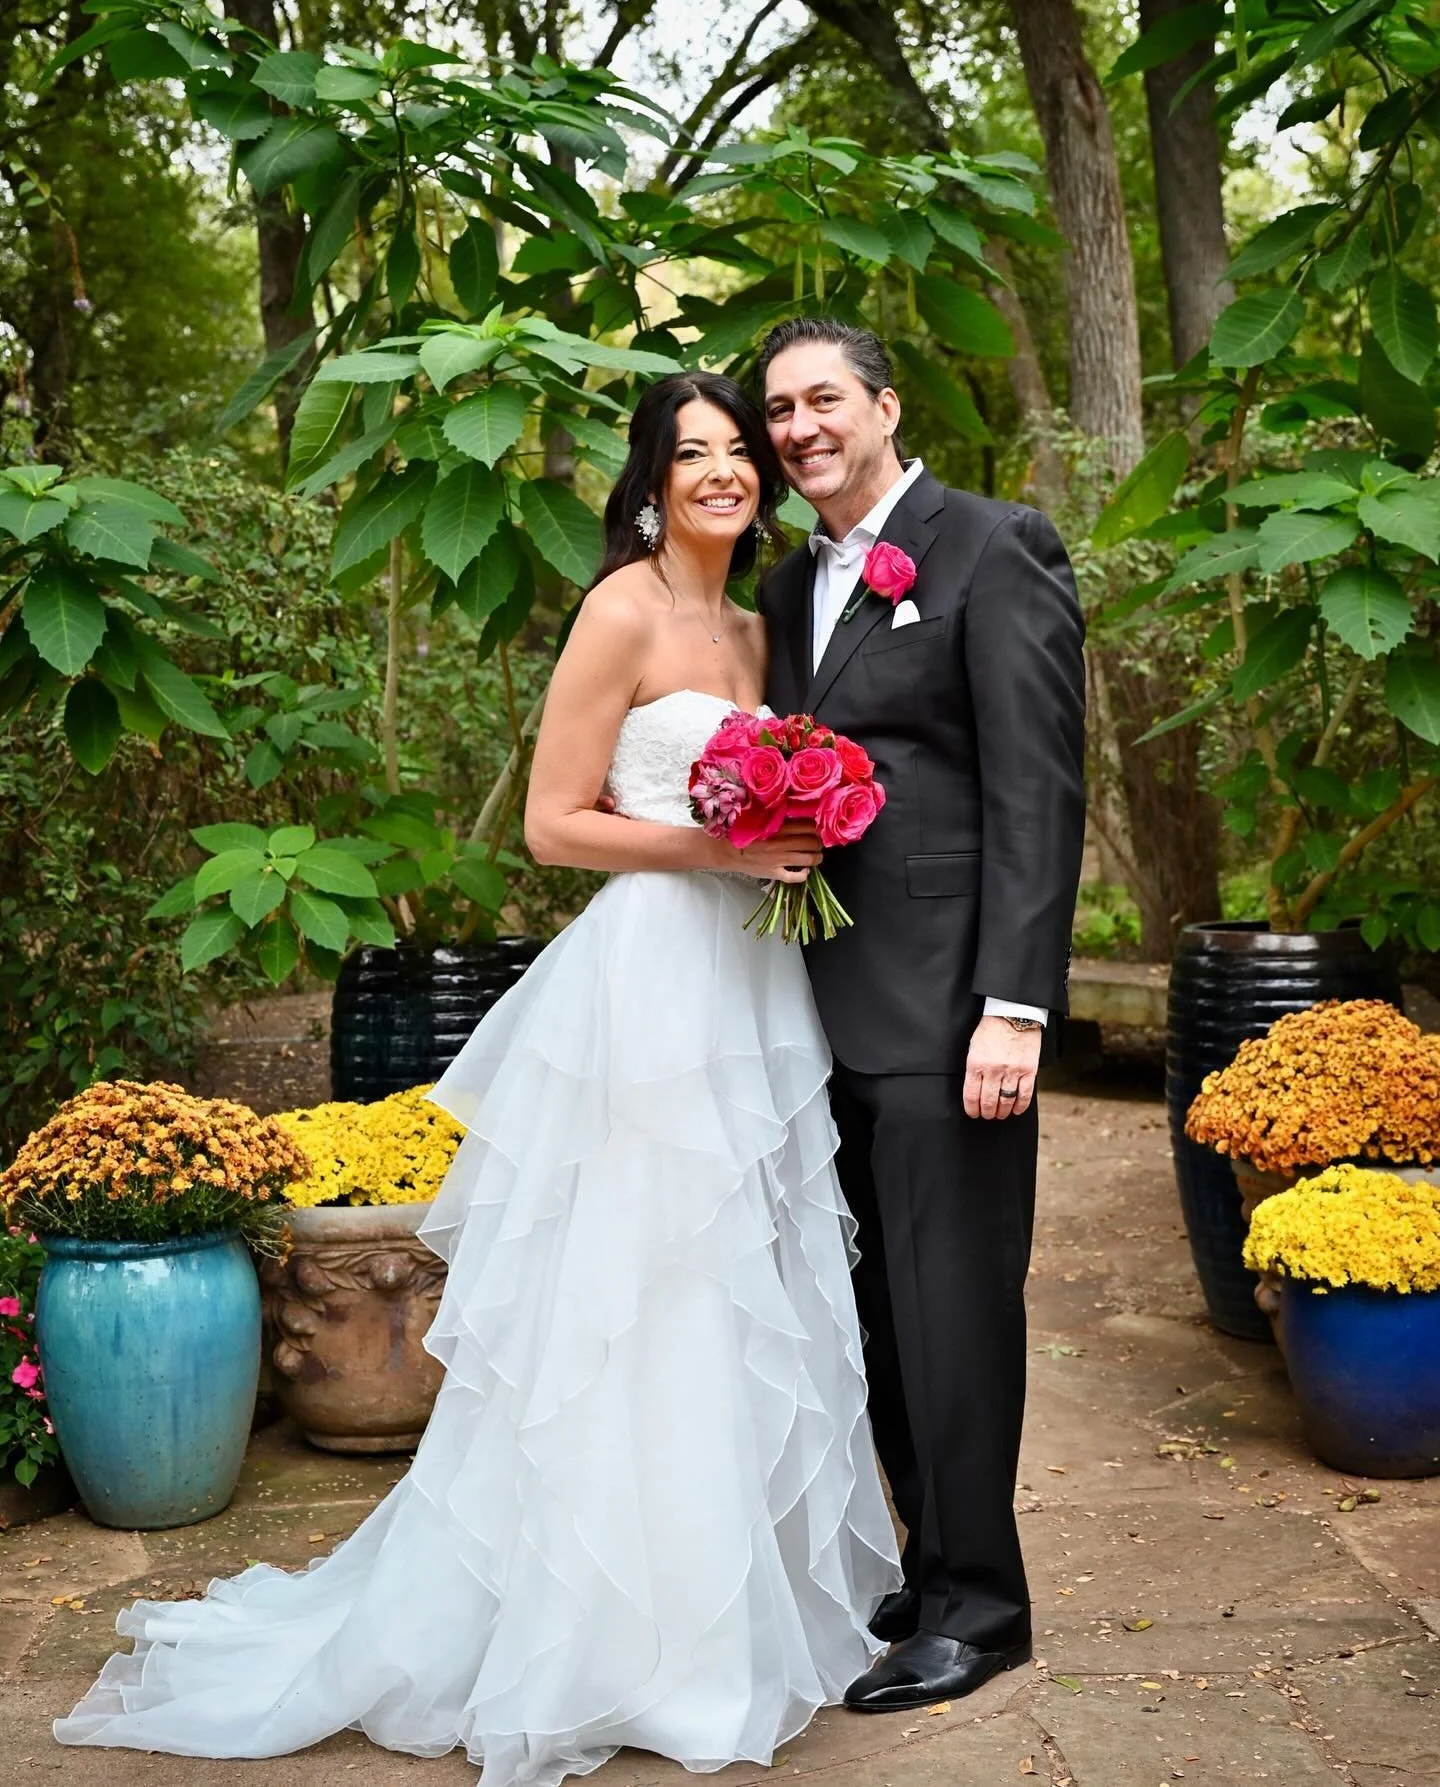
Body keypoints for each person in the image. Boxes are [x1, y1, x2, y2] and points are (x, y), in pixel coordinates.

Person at [53, 371, 901, 1786]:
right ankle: (600, 1643)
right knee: (635, 1292)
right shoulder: (620, 607)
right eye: (692, 452)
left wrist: (782, 837)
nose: (724, 471)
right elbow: (555, 825)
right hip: (647, 984)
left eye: (740, 451)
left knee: (733, 1283)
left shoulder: (762, 627)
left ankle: (716, 1635)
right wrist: (720, 851)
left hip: (751, 981)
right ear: (647, 478)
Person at [755, 317, 1086, 1714]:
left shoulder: (990, 544)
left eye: (824, 397)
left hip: (953, 1006)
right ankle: (926, 1554)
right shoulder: (783, 588)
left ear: (885, 404)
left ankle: (982, 1602)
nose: (799, 427)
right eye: (778, 408)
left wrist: (1015, 1005)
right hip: (815, 1002)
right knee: (877, 1306)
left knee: (953, 1304)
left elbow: (1038, 786)